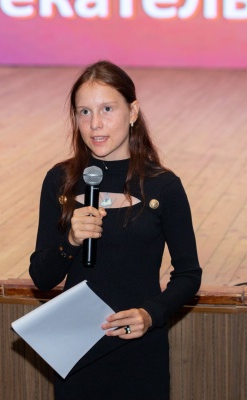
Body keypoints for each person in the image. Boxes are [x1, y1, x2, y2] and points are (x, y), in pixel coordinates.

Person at [29, 60, 202, 399]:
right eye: (84, 112)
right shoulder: (60, 181)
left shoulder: (163, 187)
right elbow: (42, 277)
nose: (95, 123)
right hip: (77, 350)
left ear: (132, 111)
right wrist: (70, 241)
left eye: (107, 109)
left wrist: (150, 315)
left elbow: (188, 275)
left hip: (138, 350)